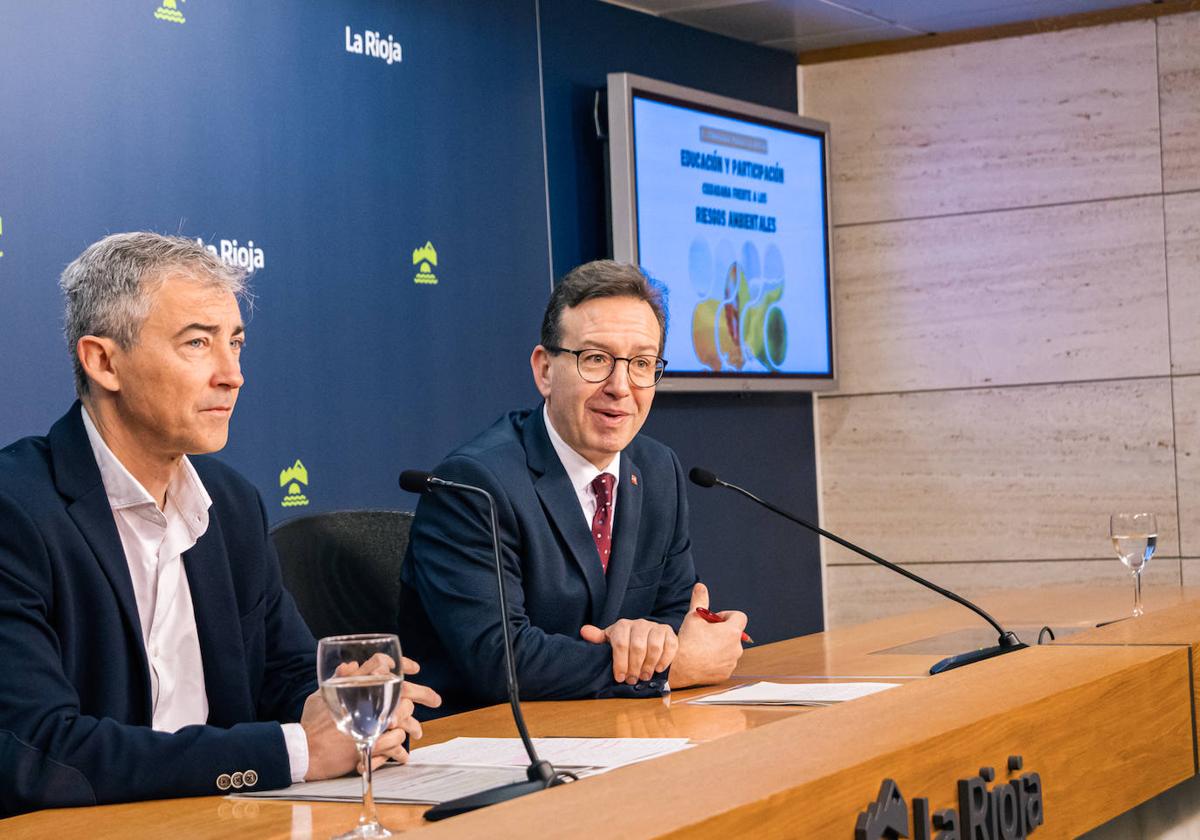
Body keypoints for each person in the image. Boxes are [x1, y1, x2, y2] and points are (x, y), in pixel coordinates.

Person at [0, 233, 439, 817]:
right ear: (104, 361)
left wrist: (344, 704)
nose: (232, 375)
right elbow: (39, 751)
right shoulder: (16, 508)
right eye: (198, 343)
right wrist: (298, 751)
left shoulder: (230, 504)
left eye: (235, 343)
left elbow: (282, 677)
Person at [399, 260, 748, 718]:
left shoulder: (657, 468)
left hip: (611, 727)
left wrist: (652, 643)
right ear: (544, 370)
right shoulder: (475, 483)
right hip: (489, 743)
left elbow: (672, 615)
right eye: (596, 359)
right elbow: (498, 661)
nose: (621, 387)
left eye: (642, 363)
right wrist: (666, 669)